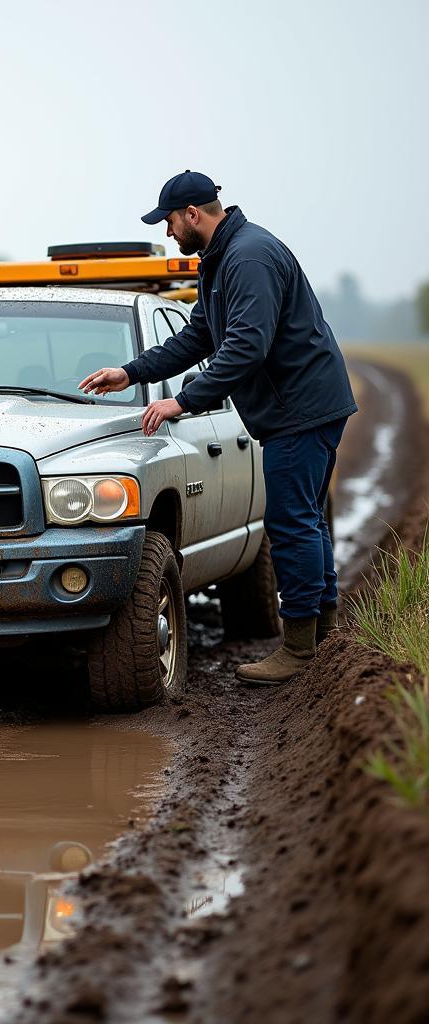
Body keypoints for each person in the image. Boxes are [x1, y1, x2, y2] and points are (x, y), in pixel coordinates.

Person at [80, 171, 357, 685]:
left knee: (291, 522)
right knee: (307, 520)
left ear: (192, 214)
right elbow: (199, 337)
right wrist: (132, 372)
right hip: (301, 407)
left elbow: (247, 346)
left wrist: (180, 403)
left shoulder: (248, 258)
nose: (167, 233)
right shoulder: (221, 260)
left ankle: (299, 648)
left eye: (168, 221)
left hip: (299, 409)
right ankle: (323, 635)